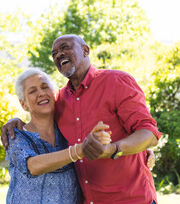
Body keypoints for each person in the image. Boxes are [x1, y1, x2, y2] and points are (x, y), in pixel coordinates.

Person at [1, 34, 162, 204]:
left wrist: (116, 149)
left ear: (86, 50)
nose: (58, 55)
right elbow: (38, 116)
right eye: (54, 53)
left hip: (131, 199)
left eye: (65, 47)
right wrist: (14, 121)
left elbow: (149, 133)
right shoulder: (60, 100)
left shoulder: (116, 81)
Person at [6, 68, 112, 204]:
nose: (41, 93)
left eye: (45, 87)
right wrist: (80, 149)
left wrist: (141, 152)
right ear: (23, 104)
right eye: (32, 91)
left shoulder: (68, 131)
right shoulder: (16, 136)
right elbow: (32, 166)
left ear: (54, 93)